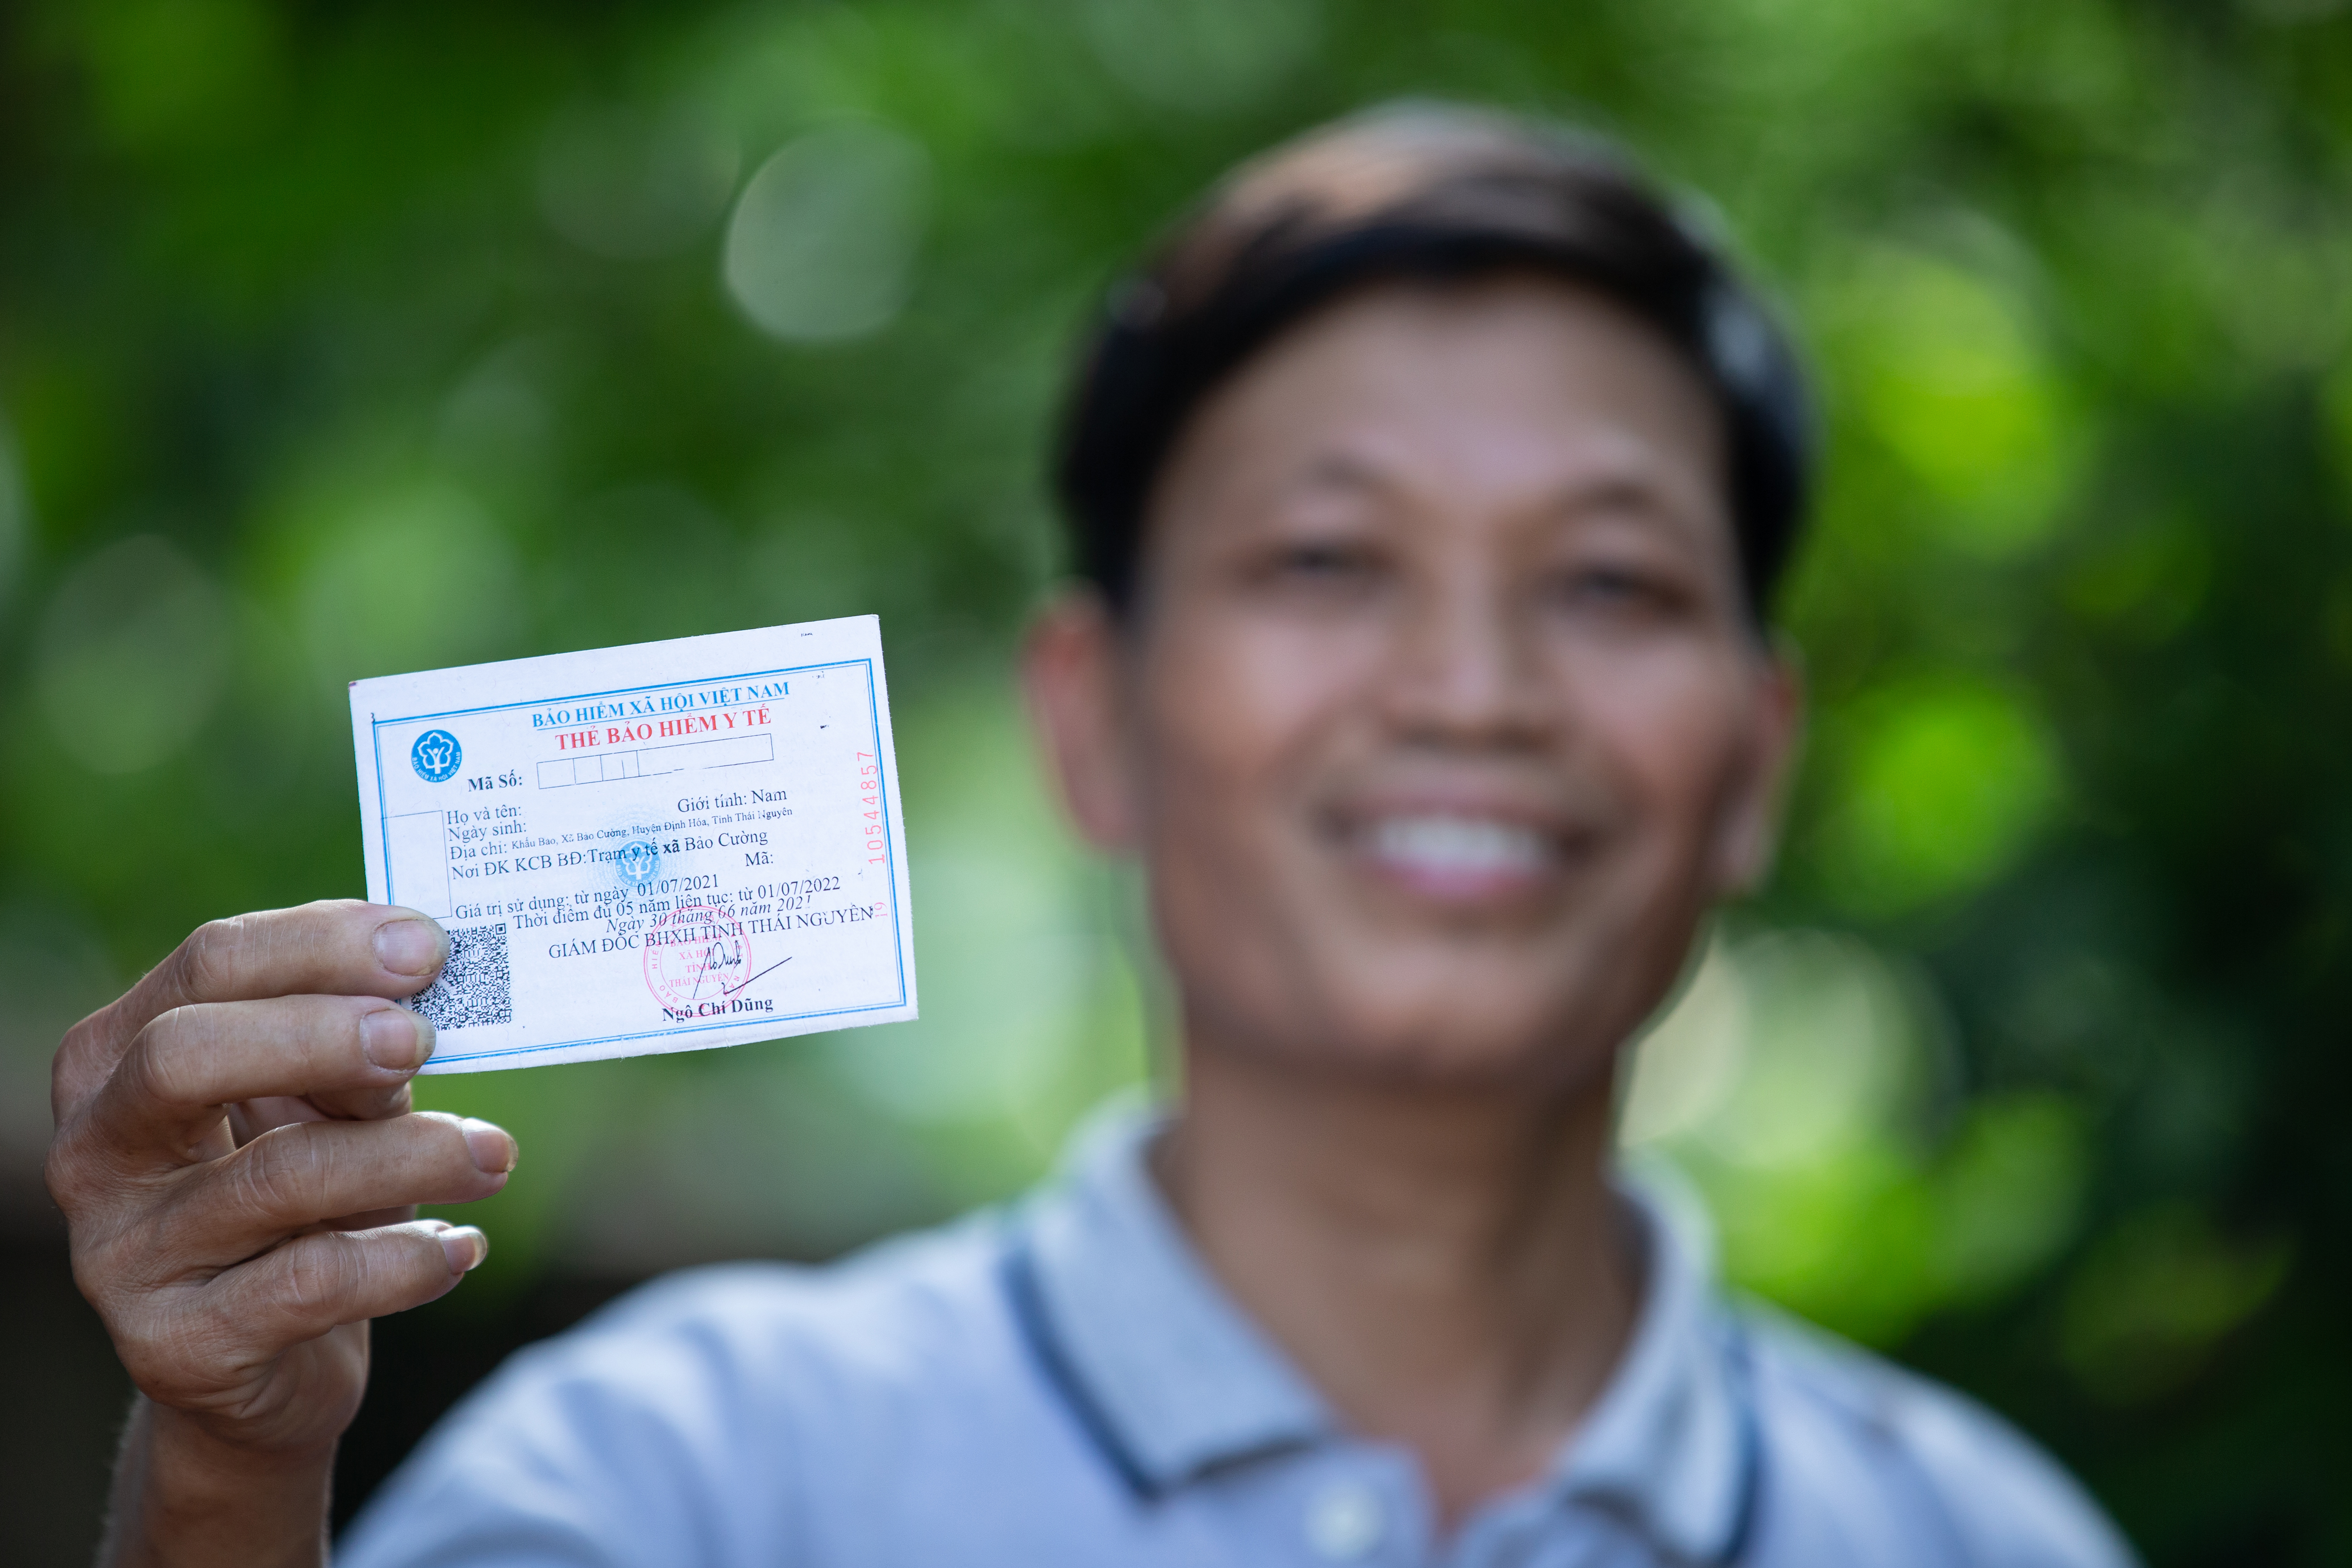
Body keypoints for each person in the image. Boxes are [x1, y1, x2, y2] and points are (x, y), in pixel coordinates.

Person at [48, 104, 2136, 1568]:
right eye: (1328, 560)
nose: (1476, 692)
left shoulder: (1987, 1542)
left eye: (1609, 585)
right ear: (1091, 719)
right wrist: (230, 1498)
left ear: (1759, 755)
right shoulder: (680, 1488)